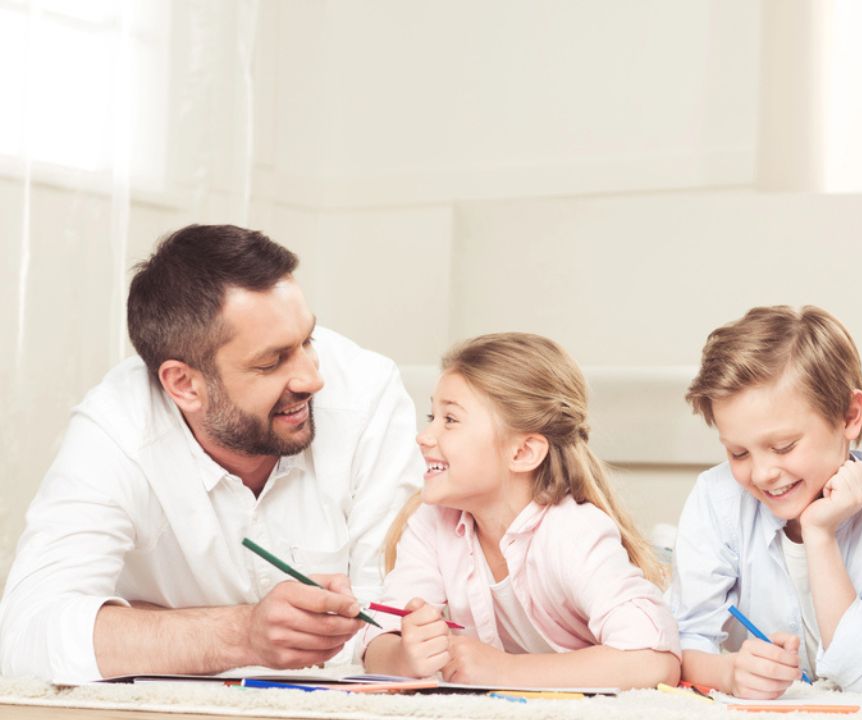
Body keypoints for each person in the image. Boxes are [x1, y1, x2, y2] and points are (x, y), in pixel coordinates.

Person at [0, 224, 422, 682]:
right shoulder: (116, 430)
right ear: (184, 384)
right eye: (272, 361)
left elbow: (392, 615)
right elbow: (26, 636)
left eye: (308, 341)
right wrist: (241, 633)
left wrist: (151, 626)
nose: (311, 379)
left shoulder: (367, 394)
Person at [668, 305, 862, 698]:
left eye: (783, 446)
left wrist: (819, 535)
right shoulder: (717, 498)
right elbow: (682, 644)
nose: (762, 473)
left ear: (849, 416)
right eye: (738, 453)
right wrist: (728, 673)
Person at [360, 333, 680, 689]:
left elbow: (655, 659)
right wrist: (404, 656)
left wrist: (504, 671)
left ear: (523, 453)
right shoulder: (432, 521)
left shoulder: (573, 532)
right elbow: (377, 639)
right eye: (432, 415)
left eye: (450, 419)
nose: (425, 436)